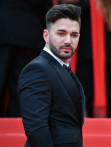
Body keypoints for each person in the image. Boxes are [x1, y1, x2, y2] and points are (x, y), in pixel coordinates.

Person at [18, 4, 85, 147]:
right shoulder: (37, 69)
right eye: (61, 33)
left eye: (74, 35)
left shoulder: (61, 68)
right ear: (46, 36)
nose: (68, 40)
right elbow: (36, 129)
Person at [57, 0, 111, 117]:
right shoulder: (106, 5)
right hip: (106, 63)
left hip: (86, 61)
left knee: (80, 102)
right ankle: (100, 132)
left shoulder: (86, 4)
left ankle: (82, 133)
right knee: (99, 103)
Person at [0, 0, 52, 117]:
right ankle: (18, 127)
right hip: (28, 34)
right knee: (22, 87)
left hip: (3, 30)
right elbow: (47, 11)